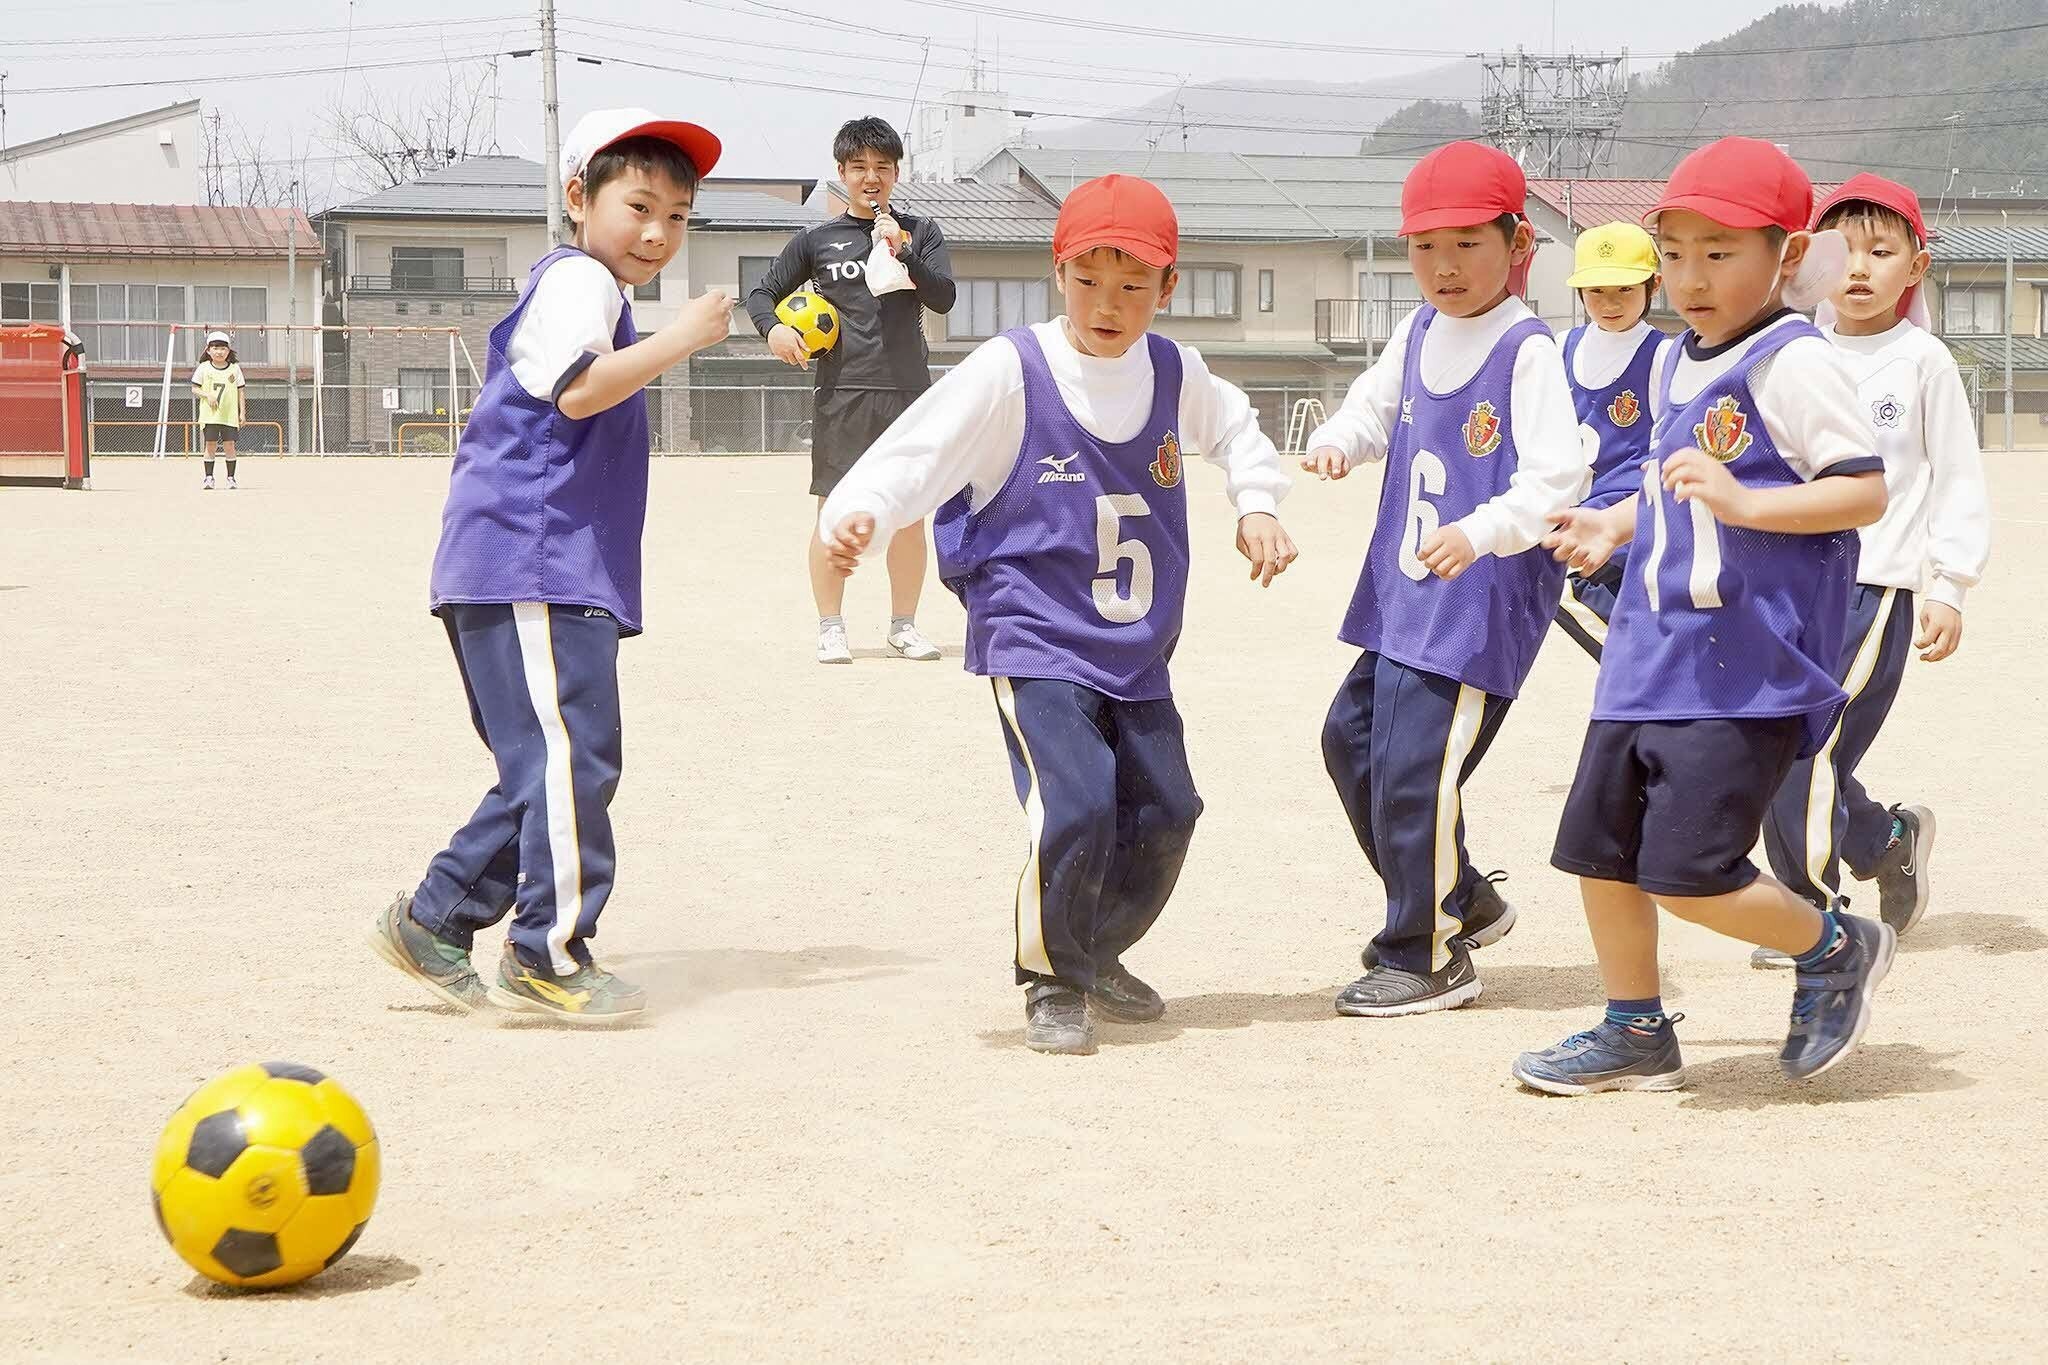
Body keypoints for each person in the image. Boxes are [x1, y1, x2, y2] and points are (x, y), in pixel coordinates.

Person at [818, 175, 1296, 1055]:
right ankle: (1051, 976)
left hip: (1136, 644)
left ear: (1168, 288)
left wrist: (1257, 501)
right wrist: (861, 513)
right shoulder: (1013, 368)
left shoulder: (1174, 370)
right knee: (1074, 801)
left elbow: (1238, 428)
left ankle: (1095, 945)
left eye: (1131, 286)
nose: (1106, 305)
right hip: (1033, 633)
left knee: (1168, 811)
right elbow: (919, 448)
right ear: (1058, 272)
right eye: (1087, 281)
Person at [1515, 138, 1894, 1095]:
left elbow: (1863, 492)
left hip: (1740, 665)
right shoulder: (1680, 359)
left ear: (1789, 255)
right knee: (1599, 855)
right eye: (1675, 252)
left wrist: (1747, 503)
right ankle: (1633, 1028)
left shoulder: (1792, 361)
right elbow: (1674, 486)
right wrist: (1614, 521)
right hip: (1648, 655)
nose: (1692, 276)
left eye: (1720, 252)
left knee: (1690, 871)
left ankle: (1836, 945)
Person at [369, 108, 733, 1026]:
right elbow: (578, 391)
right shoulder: (580, 280)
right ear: (579, 198)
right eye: (639, 205)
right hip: (532, 560)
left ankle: (434, 921)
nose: (657, 232)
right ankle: (549, 954)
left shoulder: (590, 287)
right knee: (573, 761)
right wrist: (685, 336)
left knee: (543, 764)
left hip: (525, 564)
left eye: (678, 217)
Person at [1302, 142, 1585, 1017]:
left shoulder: (1528, 350)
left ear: (1518, 246)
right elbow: (1374, 404)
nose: (1444, 266)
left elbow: (1556, 480)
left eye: (1467, 243)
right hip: (1402, 593)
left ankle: (1424, 953)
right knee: (1350, 745)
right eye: (1426, 246)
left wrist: (1483, 529)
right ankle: (1463, 895)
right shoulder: (1417, 328)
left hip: (1477, 601)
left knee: (1416, 769)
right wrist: (1344, 440)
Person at [1751, 173, 1991, 963]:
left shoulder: (1923, 362)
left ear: (1915, 268)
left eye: (1880, 252)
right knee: (1772, 747)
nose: (1858, 267)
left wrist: (1948, 583)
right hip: (1786, 587)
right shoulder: (1789, 349)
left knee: (1808, 750)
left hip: (1873, 583)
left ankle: (1807, 917)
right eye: (1842, 250)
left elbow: (1957, 476)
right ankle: (1888, 838)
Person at [746, 116, 957, 665]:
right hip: (842, 392)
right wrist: (774, 330)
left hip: (909, 393)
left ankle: (904, 625)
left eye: (882, 168)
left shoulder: (921, 232)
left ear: (895, 174)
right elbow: (762, 293)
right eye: (859, 167)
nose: (871, 177)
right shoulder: (818, 239)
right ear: (841, 173)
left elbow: (944, 299)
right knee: (832, 512)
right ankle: (831, 626)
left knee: (910, 516)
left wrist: (904, 251)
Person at [1551, 222, 1672, 660]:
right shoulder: (1561, 347)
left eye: (1624, 289)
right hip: (1569, 507)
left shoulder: (1662, 355)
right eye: (1596, 291)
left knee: (1575, 587)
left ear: (1652, 286)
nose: (1610, 303)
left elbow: (1669, 437)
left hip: (1624, 515)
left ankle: (1645, 671)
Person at [192, 332, 245, 489]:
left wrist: (242, 413)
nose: (219, 352)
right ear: (208, 350)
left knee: (230, 446)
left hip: (229, 416)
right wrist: (208, 395)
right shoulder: (203, 368)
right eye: (215, 348)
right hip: (210, 416)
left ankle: (231, 478)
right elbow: (194, 388)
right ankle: (209, 478)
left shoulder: (235, 369)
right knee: (210, 446)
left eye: (223, 348)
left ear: (228, 351)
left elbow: (241, 391)